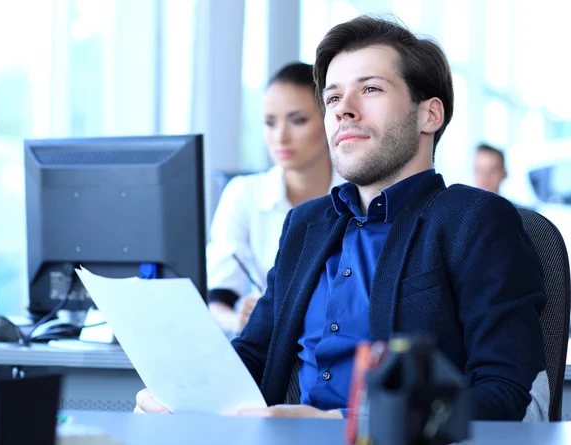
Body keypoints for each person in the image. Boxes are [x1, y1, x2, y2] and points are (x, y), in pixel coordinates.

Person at [136, 15, 548, 421]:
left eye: (370, 89)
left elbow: (506, 397)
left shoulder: (474, 219)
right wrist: (180, 391)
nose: (342, 111)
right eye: (332, 98)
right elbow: (254, 354)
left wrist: (347, 424)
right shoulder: (306, 225)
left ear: (430, 115)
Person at [207, 62, 343, 333]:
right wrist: (241, 322)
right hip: (272, 345)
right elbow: (217, 301)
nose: (280, 136)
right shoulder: (243, 194)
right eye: (270, 123)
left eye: (298, 120)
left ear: (330, 119)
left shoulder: (361, 195)